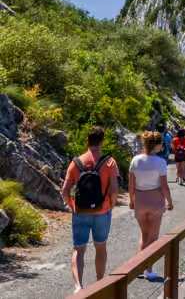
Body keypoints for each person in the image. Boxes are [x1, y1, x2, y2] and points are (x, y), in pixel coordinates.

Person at [61, 126, 119, 294]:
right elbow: (115, 190)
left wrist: (73, 206)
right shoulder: (109, 162)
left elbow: (65, 191)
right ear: (102, 141)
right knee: (100, 246)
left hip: (80, 212)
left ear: (87, 140)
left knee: (79, 248)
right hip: (102, 211)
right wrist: (111, 204)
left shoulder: (76, 163)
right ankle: (100, 282)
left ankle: (78, 286)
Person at [130, 130, 174, 282]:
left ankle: (141, 267)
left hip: (140, 199)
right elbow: (163, 186)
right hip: (155, 200)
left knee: (144, 234)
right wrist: (170, 201)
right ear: (157, 145)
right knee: (153, 237)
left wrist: (131, 200)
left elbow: (131, 184)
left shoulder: (135, 160)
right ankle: (148, 270)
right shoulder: (160, 162)